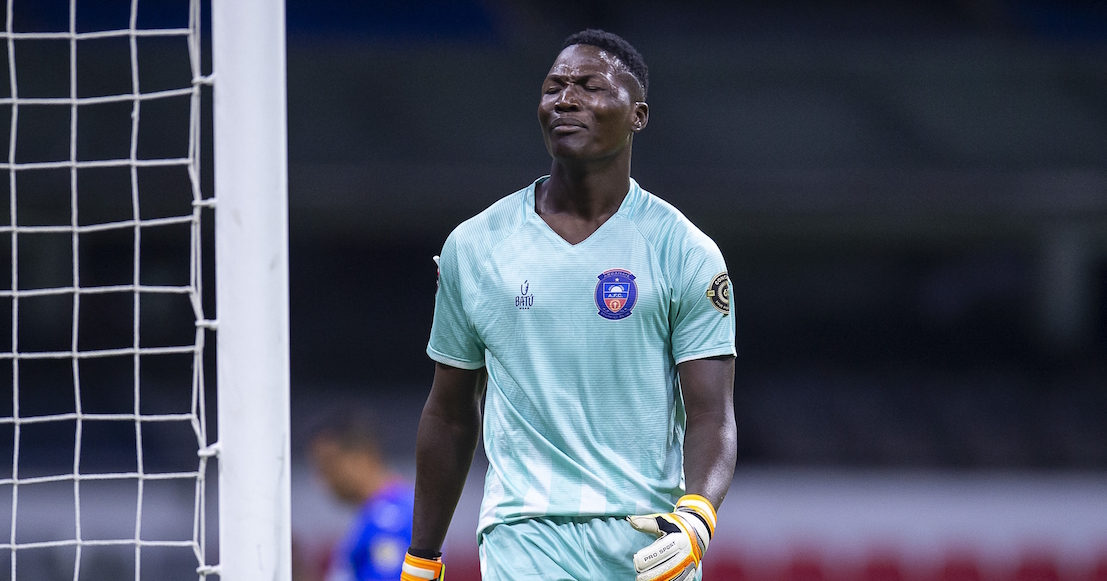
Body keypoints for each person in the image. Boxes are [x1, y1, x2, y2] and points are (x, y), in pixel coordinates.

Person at [402, 29, 737, 581]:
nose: (566, 99)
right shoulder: (476, 245)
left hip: (648, 540)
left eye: (590, 86)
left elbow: (712, 416)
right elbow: (450, 412)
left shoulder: (686, 252)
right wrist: (421, 556)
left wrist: (696, 518)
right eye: (554, 86)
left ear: (639, 115)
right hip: (524, 534)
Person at [308, 408, 414, 581]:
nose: (321, 479)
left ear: (362, 456)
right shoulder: (374, 517)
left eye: (328, 464)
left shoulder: (392, 522)